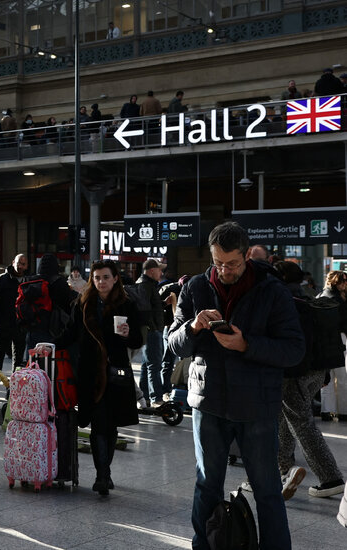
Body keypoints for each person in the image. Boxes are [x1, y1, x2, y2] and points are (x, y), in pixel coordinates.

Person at [167, 221, 304, 550]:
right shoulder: (196, 287)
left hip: (256, 406)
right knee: (206, 485)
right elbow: (173, 344)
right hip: (208, 402)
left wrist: (246, 345)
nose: (225, 270)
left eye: (232, 263)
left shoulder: (272, 291)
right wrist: (193, 328)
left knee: (266, 488)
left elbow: (294, 350)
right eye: (218, 263)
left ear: (246, 256)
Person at [54, 259, 143, 495]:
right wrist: (49, 346)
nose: (101, 281)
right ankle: (102, 475)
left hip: (116, 373)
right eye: (97, 278)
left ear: (115, 279)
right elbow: (70, 334)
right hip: (90, 374)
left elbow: (137, 340)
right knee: (98, 424)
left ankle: (105, 472)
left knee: (110, 426)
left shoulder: (127, 305)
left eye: (105, 277)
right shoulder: (82, 304)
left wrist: (127, 335)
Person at [270, 261, 345, 500]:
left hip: (295, 372)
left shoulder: (283, 301)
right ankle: (279, 468)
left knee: (301, 424)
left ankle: (330, 478)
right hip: (315, 369)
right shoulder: (308, 297)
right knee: (286, 419)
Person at [0, 254, 28, 401]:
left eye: (23, 264)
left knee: (18, 361)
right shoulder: (2, 279)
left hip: (20, 327)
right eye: (18, 263)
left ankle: (13, 391)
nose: (20, 266)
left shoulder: (28, 281)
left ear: (26, 266)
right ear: (13, 262)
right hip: (3, 326)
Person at [135, 259, 167, 407]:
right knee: (154, 364)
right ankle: (156, 399)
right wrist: (153, 328)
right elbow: (145, 309)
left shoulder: (147, 284)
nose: (161, 273)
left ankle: (145, 397)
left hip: (150, 330)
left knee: (147, 364)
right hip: (151, 331)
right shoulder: (145, 285)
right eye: (160, 270)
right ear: (152, 270)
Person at [319, 270, 347, 420]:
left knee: (326, 378)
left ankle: (327, 410)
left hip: (324, 342)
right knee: (342, 376)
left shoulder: (320, 296)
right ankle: (343, 411)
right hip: (340, 340)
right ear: (339, 282)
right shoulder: (340, 300)